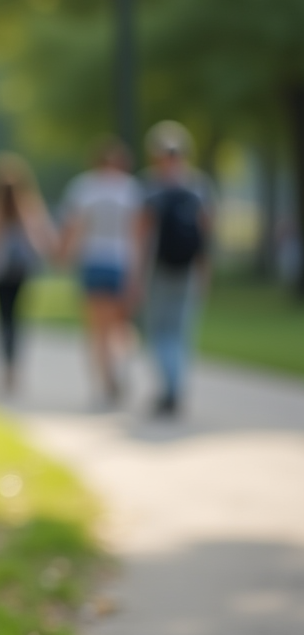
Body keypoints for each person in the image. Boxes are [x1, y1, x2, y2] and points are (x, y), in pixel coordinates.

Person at [132, 120, 214, 417]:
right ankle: (175, 386)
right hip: (188, 269)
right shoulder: (199, 186)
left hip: (158, 269)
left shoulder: (149, 187)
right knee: (181, 331)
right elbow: (206, 236)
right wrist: (205, 271)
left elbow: (140, 238)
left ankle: (169, 389)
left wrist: (136, 277)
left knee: (158, 332)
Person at [58, 137, 144, 407]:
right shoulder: (130, 189)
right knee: (121, 326)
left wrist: (63, 255)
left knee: (98, 330)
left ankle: (105, 381)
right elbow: (138, 235)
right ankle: (119, 370)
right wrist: (138, 272)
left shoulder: (85, 187)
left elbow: (74, 228)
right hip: (122, 262)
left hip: (94, 261)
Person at [0, 152, 57, 395]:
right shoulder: (28, 205)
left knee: (2, 319)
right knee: (17, 319)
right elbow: (44, 237)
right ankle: (14, 368)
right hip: (21, 271)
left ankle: (6, 369)